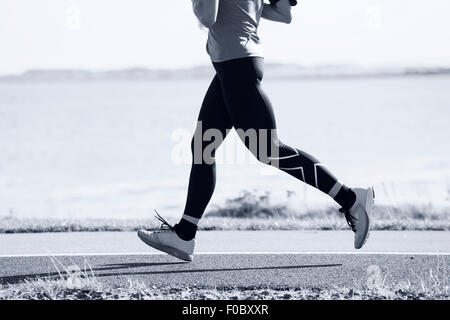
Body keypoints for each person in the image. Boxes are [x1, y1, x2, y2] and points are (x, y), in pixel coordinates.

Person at [138, 0, 375, 262]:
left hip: (236, 63)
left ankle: (351, 198)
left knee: (269, 150)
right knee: (204, 147)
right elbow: (284, 14)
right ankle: (185, 233)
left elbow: (207, 17)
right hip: (236, 64)